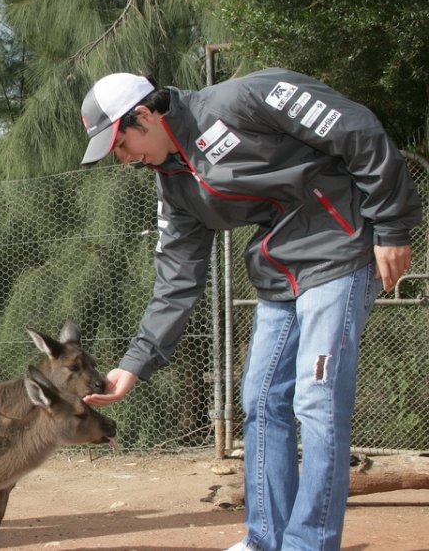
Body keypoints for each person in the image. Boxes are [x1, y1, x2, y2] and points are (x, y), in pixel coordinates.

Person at [77, 70, 422, 551]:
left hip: (338, 249)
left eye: (121, 143)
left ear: (145, 115)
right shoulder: (174, 185)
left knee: (317, 402)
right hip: (280, 272)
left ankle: (309, 544)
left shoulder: (244, 99)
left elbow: (357, 129)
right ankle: (265, 539)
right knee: (260, 400)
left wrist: (392, 224)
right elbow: (176, 281)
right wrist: (135, 364)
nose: (124, 158)